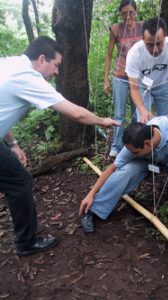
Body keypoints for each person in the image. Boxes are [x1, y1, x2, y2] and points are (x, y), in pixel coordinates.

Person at [0, 36, 119, 256]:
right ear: (42, 59)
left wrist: (13, 144)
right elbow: (76, 113)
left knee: (18, 180)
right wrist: (103, 121)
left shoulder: (9, 64)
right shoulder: (28, 77)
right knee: (19, 181)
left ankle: (25, 240)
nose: (56, 72)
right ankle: (26, 243)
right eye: (55, 65)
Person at [79, 116, 168, 234]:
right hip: (147, 161)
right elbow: (111, 169)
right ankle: (94, 210)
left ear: (147, 143)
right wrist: (91, 194)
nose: (132, 154)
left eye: (135, 152)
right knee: (124, 172)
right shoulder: (135, 140)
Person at [125, 17, 168, 123]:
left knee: (166, 120)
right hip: (142, 86)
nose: (155, 50)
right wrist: (142, 110)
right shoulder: (134, 54)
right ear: (143, 39)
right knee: (144, 121)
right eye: (150, 44)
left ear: (165, 36)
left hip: (164, 84)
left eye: (159, 43)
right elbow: (134, 89)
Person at [104, 0, 142, 158]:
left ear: (136, 12)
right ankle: (117, 145)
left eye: (131, 12)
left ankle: (134, 143)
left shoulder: (143, 27)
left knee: (136, 111)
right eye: (124, 13)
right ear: (120, 13)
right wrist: (105, 78)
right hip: (120, 74)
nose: (128, 16)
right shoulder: (115, 29)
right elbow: (109, 54)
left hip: (138, 76)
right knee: (119, 113)